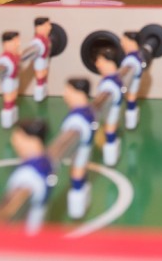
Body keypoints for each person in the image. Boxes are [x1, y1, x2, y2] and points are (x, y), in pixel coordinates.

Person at [5, 117, 55, 235]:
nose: (14, 142)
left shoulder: (26, 175)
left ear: (33, 140)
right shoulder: (47, 162)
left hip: (24, 232)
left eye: (19, 138)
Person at [59, 77, 95, 219]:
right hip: (83, 149)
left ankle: (78, 203)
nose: (65, 95)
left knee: (77, 171)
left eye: (68, 91)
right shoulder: (87, 111)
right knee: (79, 170)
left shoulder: (77, 119)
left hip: (81, 149)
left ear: (78, 93)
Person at [94, 49, 124, 167]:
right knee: (109, 129)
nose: (97, 64)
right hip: (110, 112)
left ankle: (111, 156)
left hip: (111, 112)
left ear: (109, 62)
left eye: (100, 61)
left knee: (110, 130)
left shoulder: (109, 84)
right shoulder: (114, 79)